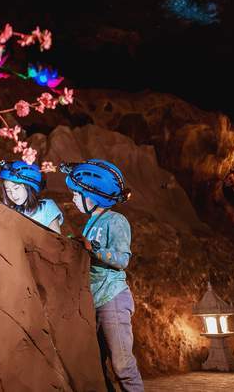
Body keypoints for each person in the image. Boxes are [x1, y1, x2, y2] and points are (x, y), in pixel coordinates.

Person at [60, 159, 144, 392]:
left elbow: (122, 260)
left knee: (122, 365)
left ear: (93, 195)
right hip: (93, 300)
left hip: (112, 299)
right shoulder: (90, 223)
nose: (74, 199)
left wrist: (93, 249)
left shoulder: (116, 221)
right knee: (96, 365)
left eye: (77, 194)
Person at [0, 160, 63, 233]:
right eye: (8, 191)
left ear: (28, 186)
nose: (13, 195)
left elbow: (56, 240)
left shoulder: (46, 207)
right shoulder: (11, 212)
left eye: (16, 188)